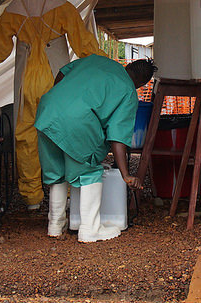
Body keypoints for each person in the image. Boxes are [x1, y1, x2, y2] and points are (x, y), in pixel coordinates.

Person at [0, 0, 104, 210]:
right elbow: (84, 43)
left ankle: (32, 198)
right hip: (58, 81)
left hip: (26, 81)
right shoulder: (63, 8)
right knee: (62, 133)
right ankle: (63, 192)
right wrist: (106, 67)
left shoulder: (15, 9)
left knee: (26, 136)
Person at [35, 55, 155, 242]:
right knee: (89, 171)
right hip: (78, 120)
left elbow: (62, 72)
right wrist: (125, 174)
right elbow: (117, 138)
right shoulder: (128, 91)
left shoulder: (97, 60)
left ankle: (55, 225)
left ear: (128, 66)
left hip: (48, 109)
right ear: (142, 84)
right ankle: (90, 229)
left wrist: (60, 100)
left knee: (57, 172)